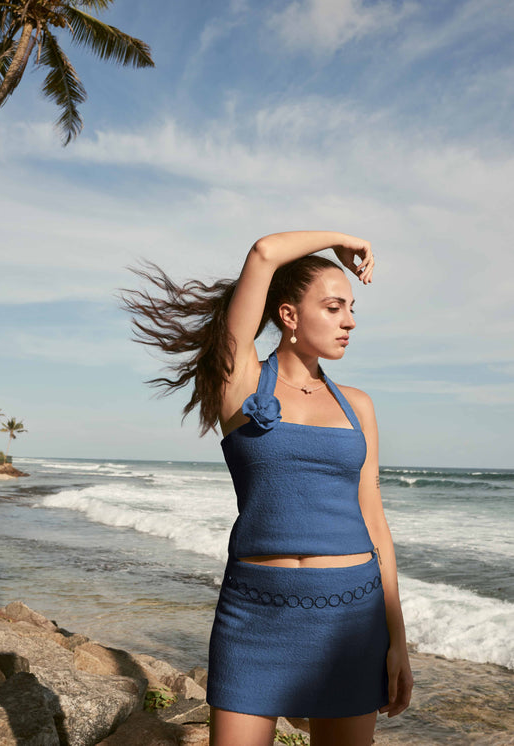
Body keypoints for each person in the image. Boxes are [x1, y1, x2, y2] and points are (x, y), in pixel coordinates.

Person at [122, 230, 413, 746]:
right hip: (254, 614)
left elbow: (374, 520)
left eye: (351, 308)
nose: (349, 320)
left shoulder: (358, 406)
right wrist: (341, 239)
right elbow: (262, 253)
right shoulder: (240, 381)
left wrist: (398, 639)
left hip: (352, 613)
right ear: (289, 315)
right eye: (333, 306)